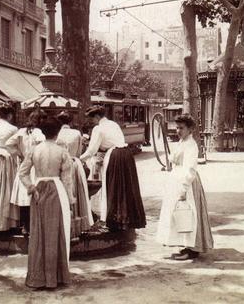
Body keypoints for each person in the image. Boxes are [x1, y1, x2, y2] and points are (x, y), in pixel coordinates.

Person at [19, 117, 75, 289]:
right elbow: (67, 180)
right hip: (57, 189)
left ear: (42, 132)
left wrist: (31, 187)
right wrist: (70, 200)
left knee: (38, 232)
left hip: (38, 190)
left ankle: (38, 276)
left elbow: (22, 173)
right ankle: (56, 277)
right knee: (56, 231)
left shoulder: (34, 150)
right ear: (58, 133)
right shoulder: (62, 152)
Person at [80, 105, 146, 231]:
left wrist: (78, 159)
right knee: (124, 188)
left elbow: (91, 151)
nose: (91, 122)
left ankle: (111, 219)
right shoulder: (113, 124)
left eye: (91, 119)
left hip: (115, 156)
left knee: (111, 187)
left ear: (98, 116)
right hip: (126, 155)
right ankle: (125, 219)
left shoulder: (98, 129)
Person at [156, 114, 213, 260]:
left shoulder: (191, 145)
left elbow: (190, 169)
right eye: (177, 127)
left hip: (187, 183)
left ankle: (193, 249)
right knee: (180, 215)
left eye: (182, 128)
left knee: (189, 214)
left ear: (190, 129)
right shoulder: (182, 142)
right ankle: (185, 245)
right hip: (177, 179)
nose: (178, 130)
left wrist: (183, 188)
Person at [6, 109, 47, 233]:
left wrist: (20, 154)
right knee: (37, 196)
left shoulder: (21, 131)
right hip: (36, 166)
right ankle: (36, 225)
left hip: (24, 165)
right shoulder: (39, 132)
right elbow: (43, 146)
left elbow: (8, 143)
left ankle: (26, 226)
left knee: (24, 197)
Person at [56, 110, 94, 237]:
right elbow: (78, 152)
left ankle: (61, 222)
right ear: (71, 121)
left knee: (62, 192)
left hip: (59, 165)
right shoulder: (76, 133)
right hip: (73, 163)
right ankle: (77, 222)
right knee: (76, 191)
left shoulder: (56, 133)